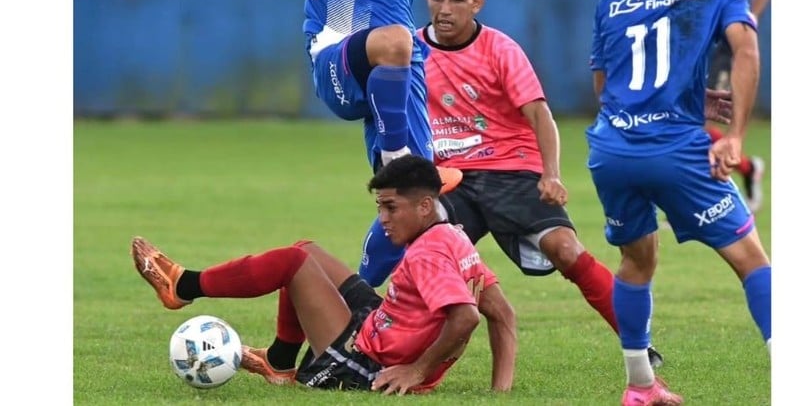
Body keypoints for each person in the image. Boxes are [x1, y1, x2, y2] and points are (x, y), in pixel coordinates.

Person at [198, 0, 462, 285]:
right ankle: (394, 156)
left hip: (398, 76)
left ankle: (355, 301)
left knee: (420, 204)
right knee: (399, 41)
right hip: (335, 59)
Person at [417, 0, 666, 368]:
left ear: (477, 4)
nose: (445, 9)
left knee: (565, 250)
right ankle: (373, 344)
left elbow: (540, 115)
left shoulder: (500, 49)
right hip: (452, 178)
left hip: (511, 169)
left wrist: (550, 174)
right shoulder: (410, 50)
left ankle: (638, 343)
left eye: (456, 0)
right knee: (424, 257)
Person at [586, 0, 771, 405]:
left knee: (636, 261)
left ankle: (641, 386)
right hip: (674, 150)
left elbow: (606, 88)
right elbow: (747, 49)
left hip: (611, 151)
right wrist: (733, 135)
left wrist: (687, 97)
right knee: (752, 260)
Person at [131, 155, 517, 394]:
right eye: (379, 207)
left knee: (290, 264)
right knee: (306, 251)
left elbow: (465, 317)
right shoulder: (455, 238)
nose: (382, 219)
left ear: (426, 205)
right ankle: (280, 362)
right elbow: (503, 315)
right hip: (380, 328)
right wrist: (501, 392)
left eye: (390, 207)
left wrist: (417, 373)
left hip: (368, 367)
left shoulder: (428, 253)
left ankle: (184, 285)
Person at [685, 0, 770, 213]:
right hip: (686, 45)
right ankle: (749, 168)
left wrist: (746, 25)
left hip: (721, 44)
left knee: (704, 122)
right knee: (683, 120)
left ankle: (700, 202)